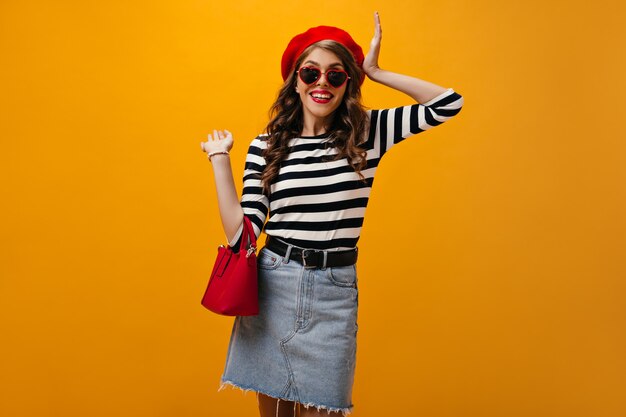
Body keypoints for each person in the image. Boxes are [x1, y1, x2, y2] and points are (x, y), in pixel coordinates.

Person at [200, 12, 464, 417]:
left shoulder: (367, 133)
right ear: (296, 81)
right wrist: (220, 161)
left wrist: (374, 71)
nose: (322, 83)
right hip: (274, 285)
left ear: (348, 84)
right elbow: (243, 237)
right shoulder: (267, 146)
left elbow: (447, 104)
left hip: (333, 292)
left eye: (336, 75)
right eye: (311, 73)